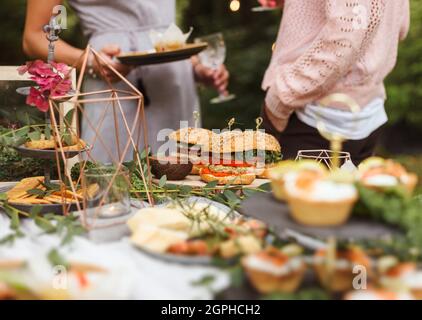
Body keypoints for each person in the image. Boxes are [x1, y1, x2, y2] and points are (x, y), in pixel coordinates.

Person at [23, 0, 229, 162]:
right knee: (113, 185)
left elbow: (159, 32)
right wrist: (92, 61)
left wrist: (196, 67)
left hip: (174, 85)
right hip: (113, 82)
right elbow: (34, 38)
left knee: (185, 184)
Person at [260, 0, 410, 165]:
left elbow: (344, 40)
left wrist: (282, 96)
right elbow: (400, 25)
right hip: (366, 113)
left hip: (313, 117)